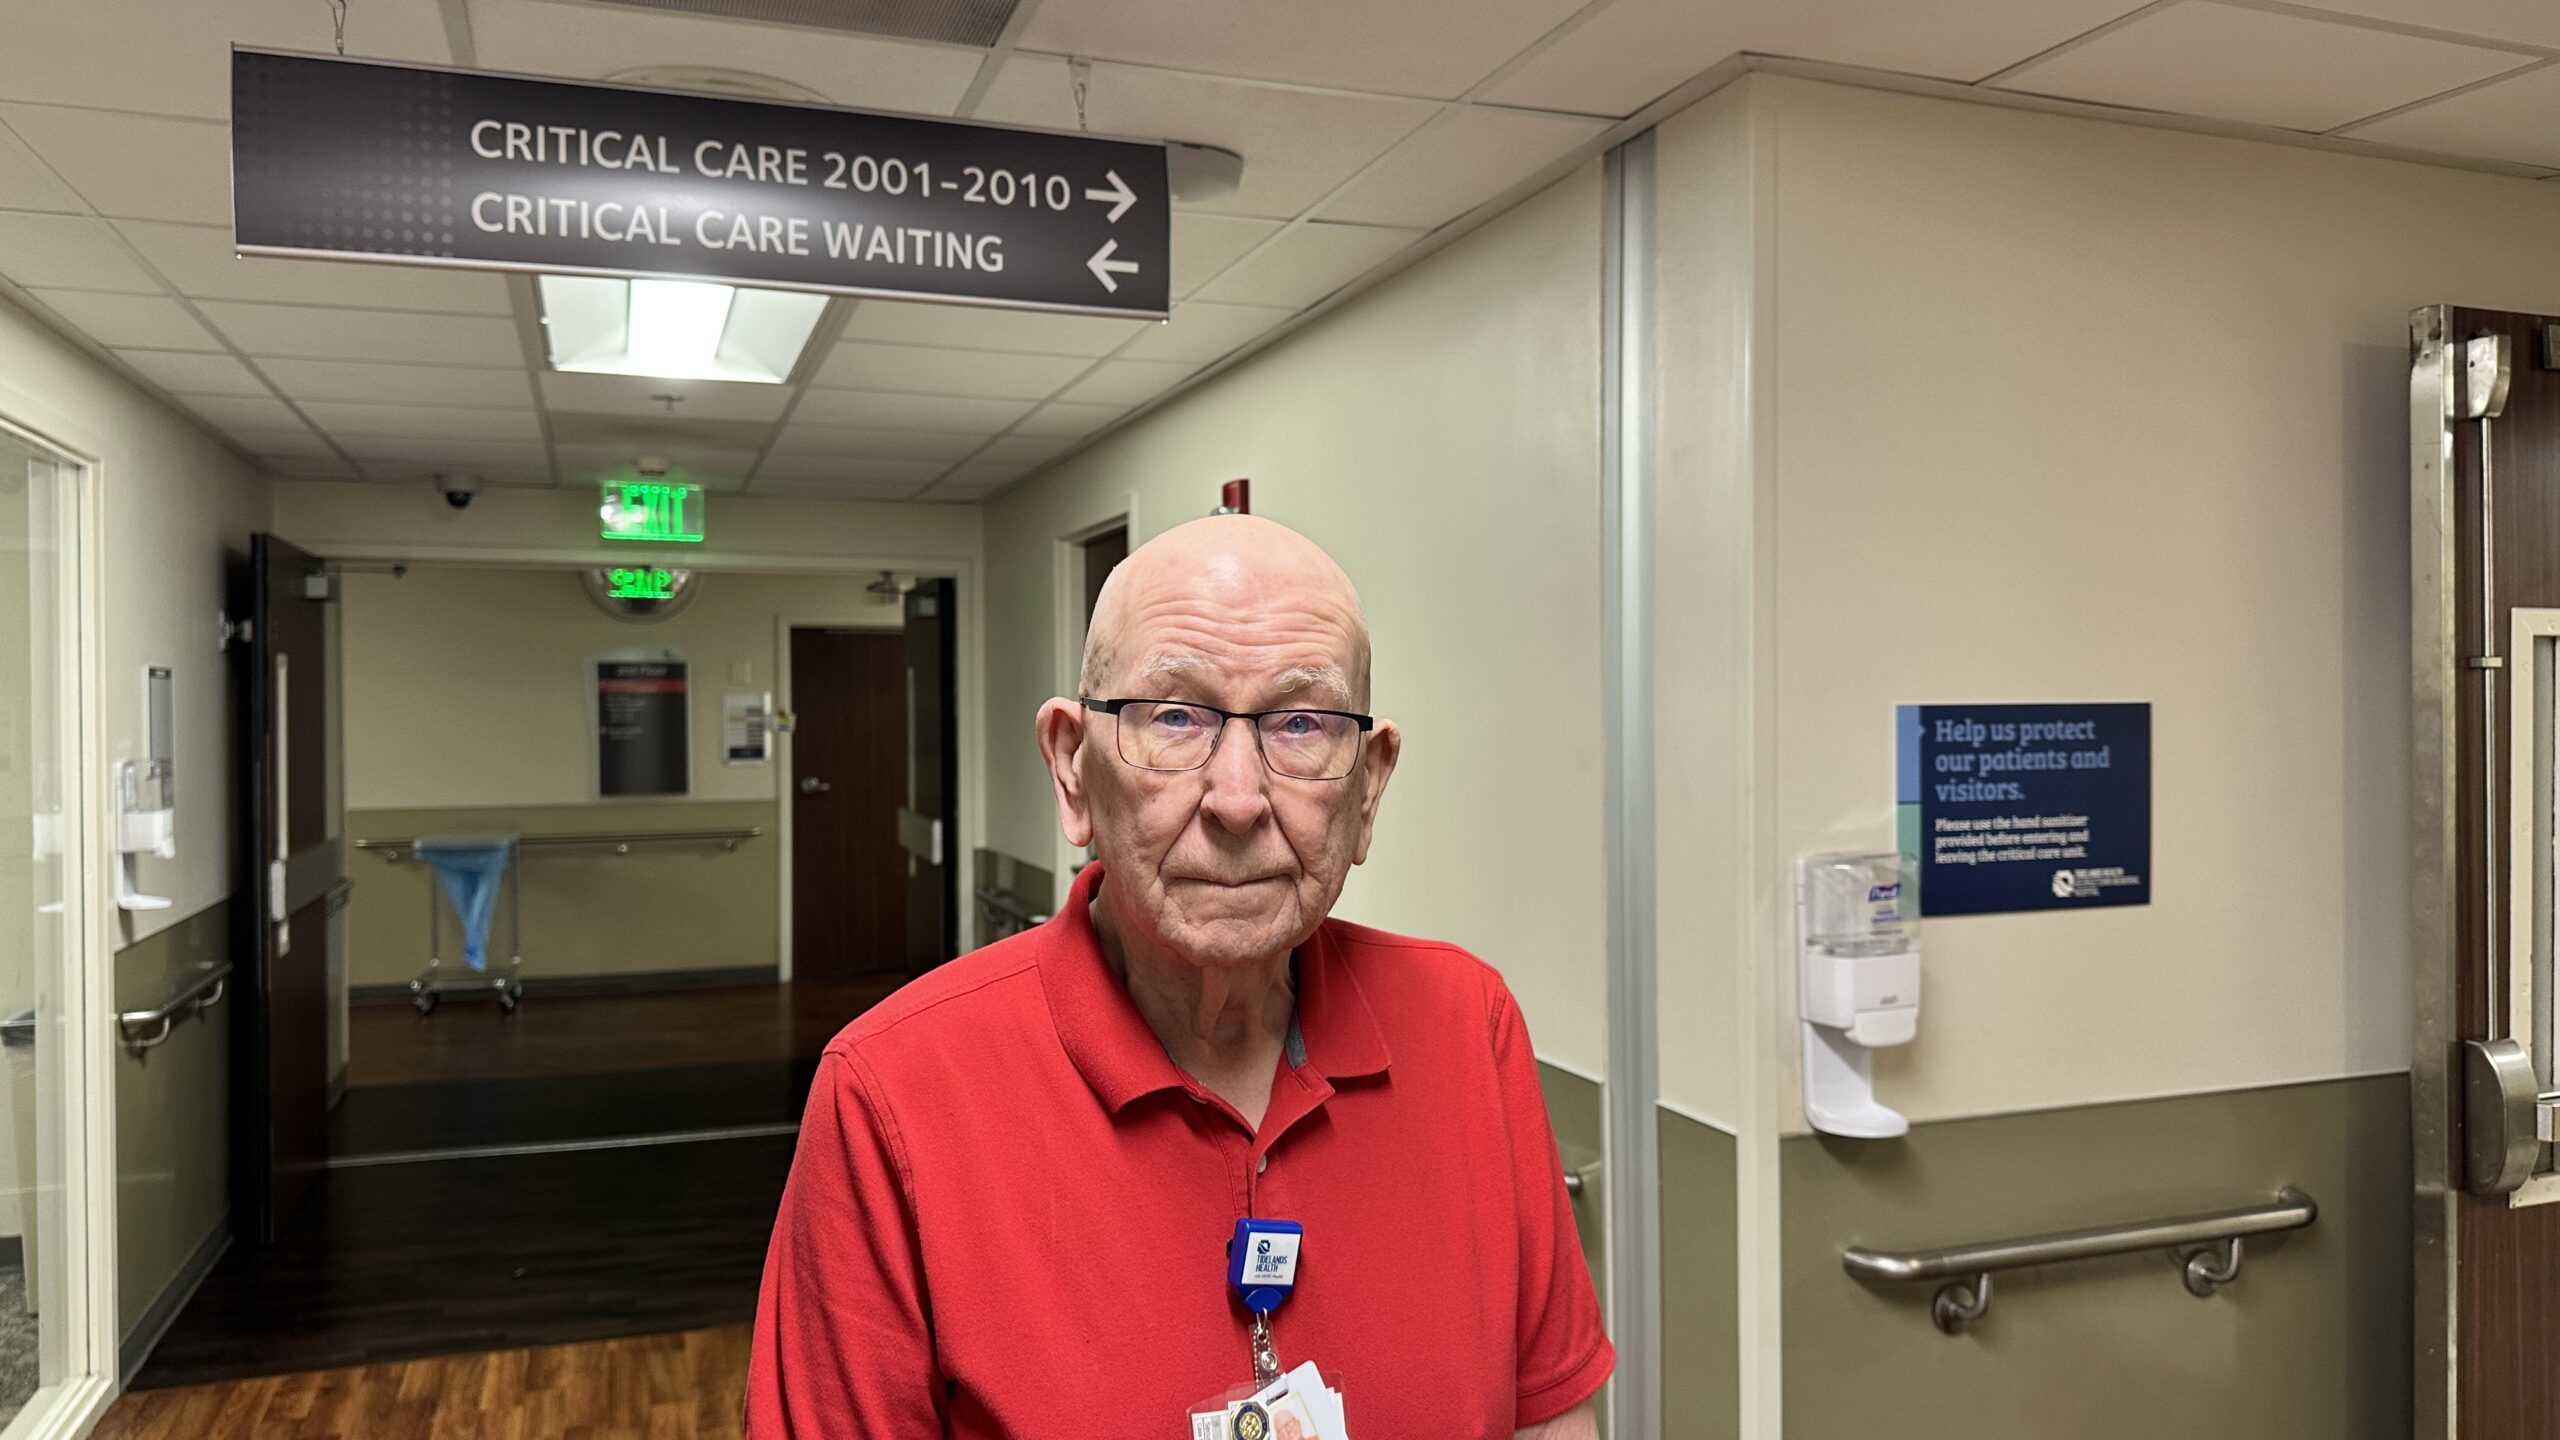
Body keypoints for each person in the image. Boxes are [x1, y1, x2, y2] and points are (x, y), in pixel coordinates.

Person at [745, 515, 1611, 1439]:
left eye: (1302, 724)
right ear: (1073, 769)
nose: (1237, 800)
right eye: (1174, 716)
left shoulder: (1467, 1028)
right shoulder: (893, 1095)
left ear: (1367, 789)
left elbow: (1552, 1416)